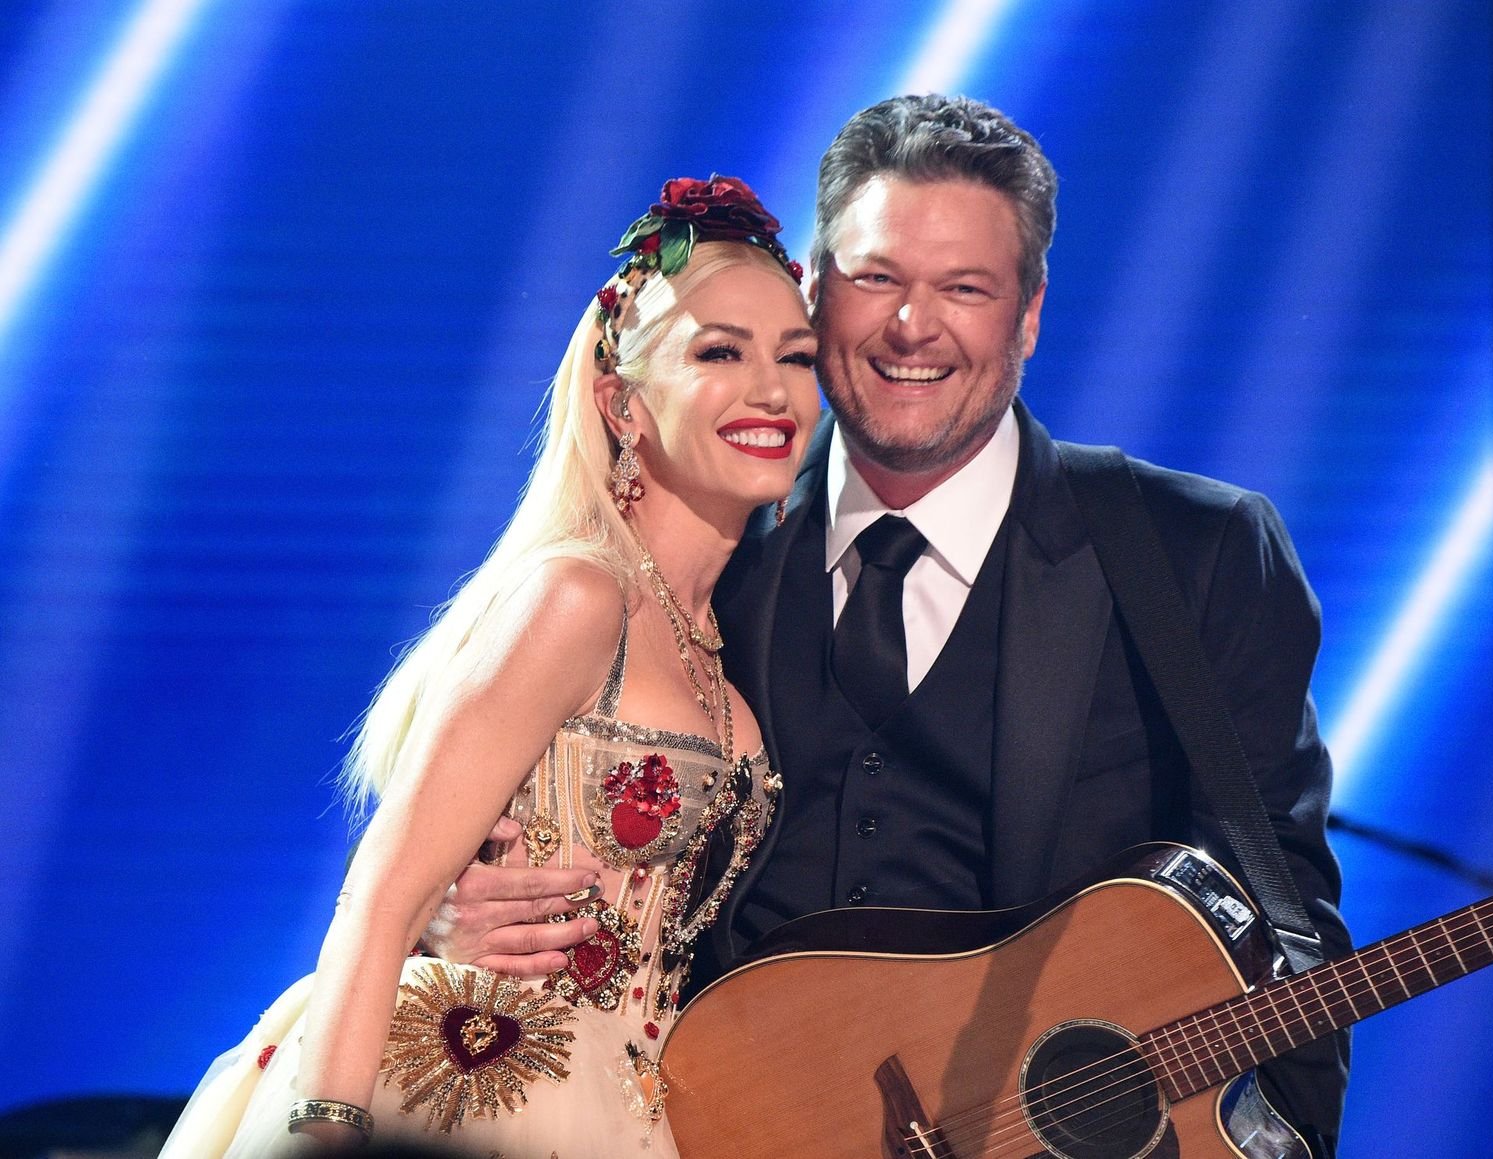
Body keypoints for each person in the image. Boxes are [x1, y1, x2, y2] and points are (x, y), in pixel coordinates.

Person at [431, 95, 1354, 1155]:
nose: (912, 327)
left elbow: (1289, 925)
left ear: (1029, 314)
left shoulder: (1193, 551)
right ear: (814, 290)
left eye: (964, 287)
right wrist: (456, 921)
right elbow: (489, 830)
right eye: (876, 279)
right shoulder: (691, 547)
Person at [158, 176, 820, 1157]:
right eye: (719, 351)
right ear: (620, 401)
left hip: (636, 1108)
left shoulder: (713, 641)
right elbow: (382, 892)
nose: (771, 389)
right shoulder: (577, 596)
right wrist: (325, 1136)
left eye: (795, 356)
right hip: (462, 1087)